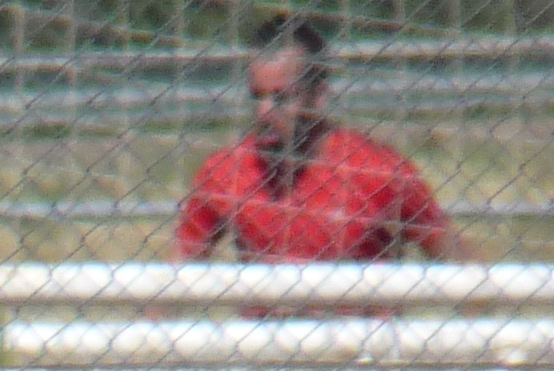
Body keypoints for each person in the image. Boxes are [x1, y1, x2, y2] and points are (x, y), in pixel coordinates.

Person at [175, 15, 464, 270]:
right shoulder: (227, 173)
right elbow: (175, 276)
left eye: (281, 98)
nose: (264, 112)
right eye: (256, 97)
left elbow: (461, 266)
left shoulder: (377, 171)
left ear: (319, 97)